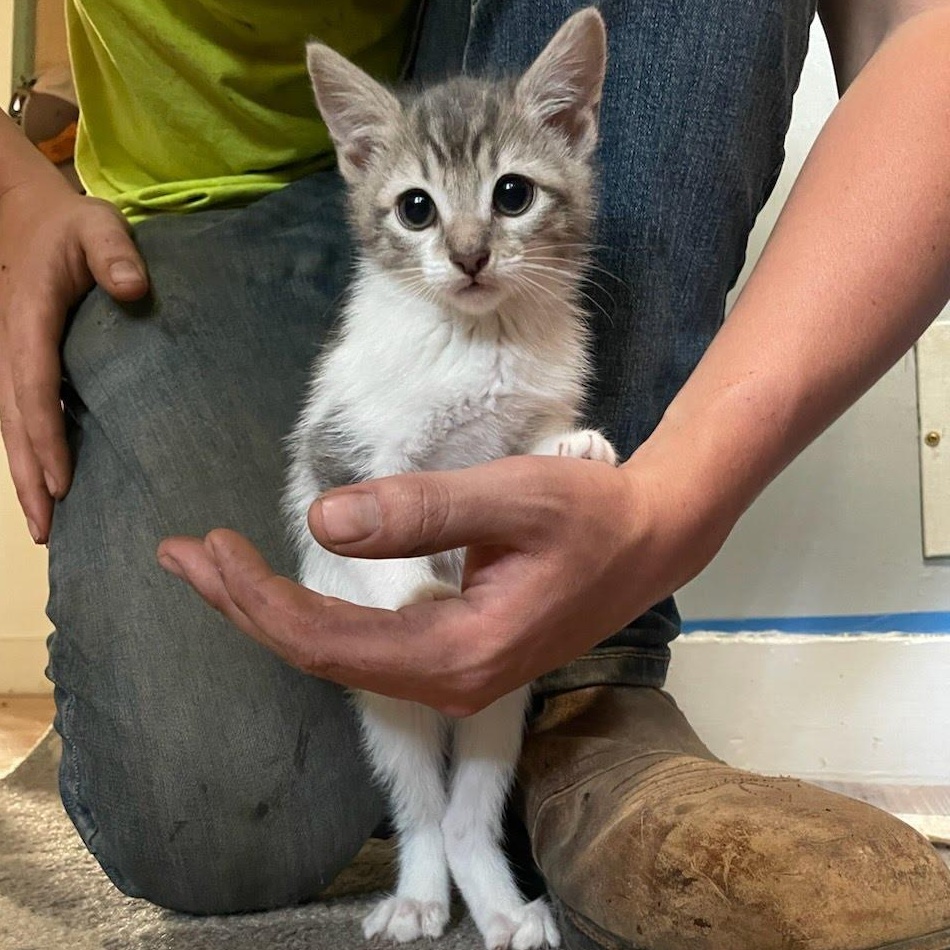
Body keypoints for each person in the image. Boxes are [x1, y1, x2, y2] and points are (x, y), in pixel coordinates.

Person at [1, 0, 949, 947]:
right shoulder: (402, 306)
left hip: (482, 41)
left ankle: (590, 691)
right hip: (187, 199)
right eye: (426, 212)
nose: (468, 248)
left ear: (574, 130)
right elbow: (341, 467)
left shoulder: (542, 321)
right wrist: (14, 192)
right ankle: (428, 832)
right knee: (211, 821)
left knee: (504, 617)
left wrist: (679, 493)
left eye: (506, 199)